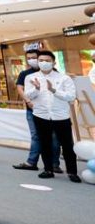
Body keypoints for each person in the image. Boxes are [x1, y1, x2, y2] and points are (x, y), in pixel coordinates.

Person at [24, 51, 80, 182]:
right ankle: (48, 169)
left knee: (67, 145)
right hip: (41, 115)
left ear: (54, 63)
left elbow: (71, 96)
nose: (44, 63)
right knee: (45, 143)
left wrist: (54, 90)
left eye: (47, 60)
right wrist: (36, 89)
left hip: (61, 116)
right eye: (41, 60)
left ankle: (72, 172)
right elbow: (28, 95)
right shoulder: (31, 78)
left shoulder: (64, 78)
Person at [12, 50, 60, 172]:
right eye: (28, 58)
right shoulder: (25, 74)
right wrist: (28, 101)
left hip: (51, 111)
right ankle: (31, 162)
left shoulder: (54, 72)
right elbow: (20, 89)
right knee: (36, 136)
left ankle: (55, 164)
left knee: (54, 136)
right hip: (32, 110)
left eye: (34, 57)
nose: (31, 60)